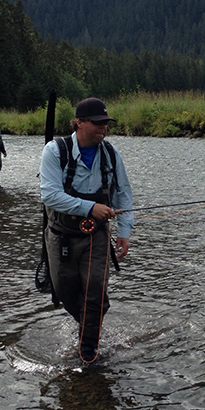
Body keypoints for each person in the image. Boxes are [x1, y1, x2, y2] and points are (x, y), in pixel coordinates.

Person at [40, 97, 134, 364]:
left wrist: (124, 232)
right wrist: (90, 208)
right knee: (65, 292)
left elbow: (124, 194)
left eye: (106, 124)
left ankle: (88, 353)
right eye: (98, 123)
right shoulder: (55, 151)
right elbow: (49, 195)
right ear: (79, 123)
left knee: (95, 291)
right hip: (60, 237)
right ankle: (89, 324)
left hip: (97, 237)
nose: (103, 129)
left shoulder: (111, 154)